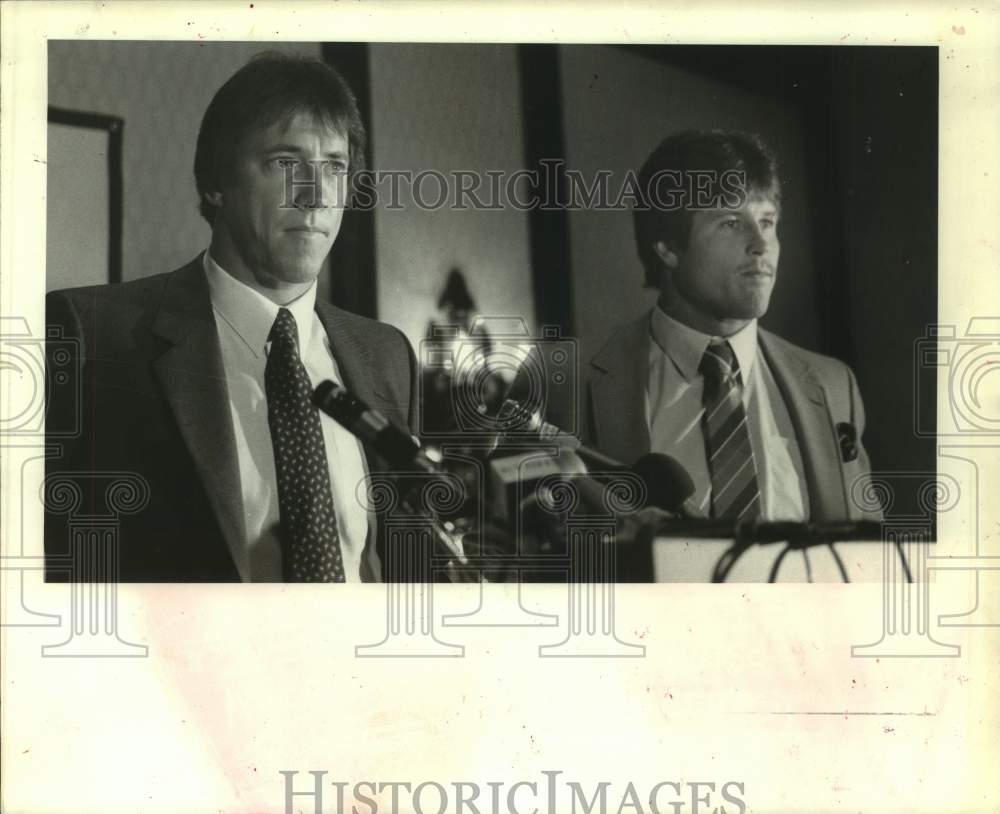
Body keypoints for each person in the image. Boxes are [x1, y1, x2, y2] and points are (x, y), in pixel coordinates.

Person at [45, 53, 419, 582]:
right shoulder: (91, 336)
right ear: (217, 182)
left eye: (334, 167)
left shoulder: (386, 355)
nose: (316, 197)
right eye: (285, 164)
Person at [512, 129, 878, 523]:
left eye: (768, 222)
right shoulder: (560, 379)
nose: (761, 244)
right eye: (730, 223)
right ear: (667, 247)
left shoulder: (833, 385)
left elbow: (866, 558)